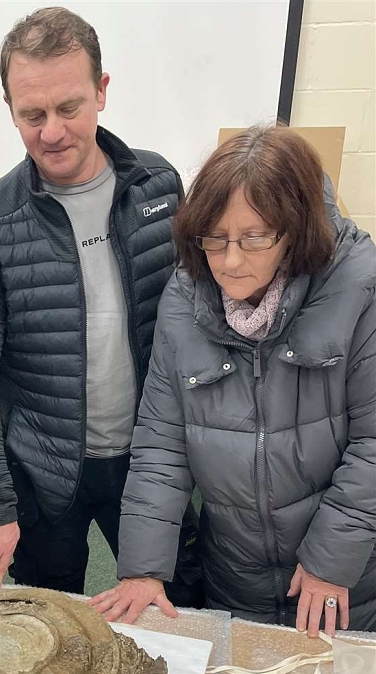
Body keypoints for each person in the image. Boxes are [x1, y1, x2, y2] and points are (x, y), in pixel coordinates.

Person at [0, 6, 200, 596]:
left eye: (69, 108)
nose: (52, 132)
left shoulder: (159, 188)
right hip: (42, 470)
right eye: (31, 114)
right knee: (48, 613)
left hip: (151, 461)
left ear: (102, 91)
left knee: (182, 601)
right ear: (9, 107)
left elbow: (196, 318)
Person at [90, 126, 376, 636]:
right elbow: (162, 442)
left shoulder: (360, 289)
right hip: (235, 572)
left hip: (348, 576)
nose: (230, 261)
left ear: (297, 229)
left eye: (255, 238)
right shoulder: (184, 297)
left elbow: (373, 446)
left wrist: (332, 560)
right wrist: (144, 568)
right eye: (215, 239)